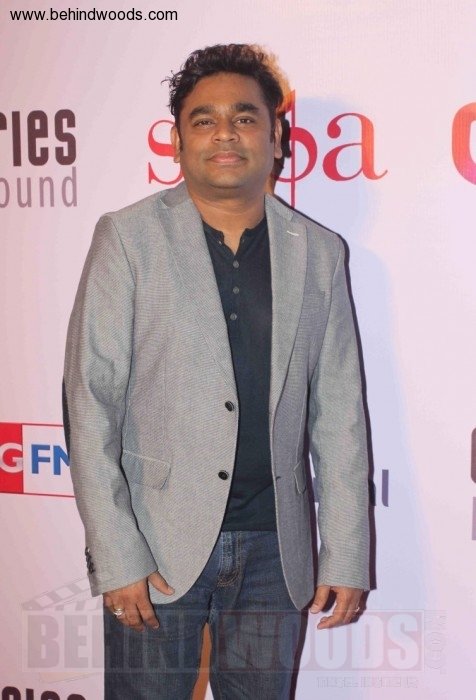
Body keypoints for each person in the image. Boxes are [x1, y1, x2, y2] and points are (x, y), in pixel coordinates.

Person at [62, 43, 370, 699]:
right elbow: (90, 400)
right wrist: (116, 553)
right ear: (177, 141)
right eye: (204, 120)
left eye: (244, 117)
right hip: (156, 542)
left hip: (274, 553)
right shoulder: (128, 239)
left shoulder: (320, 252)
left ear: (276, 138)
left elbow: (339, 413)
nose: (225, 134)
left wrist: (345, 550)